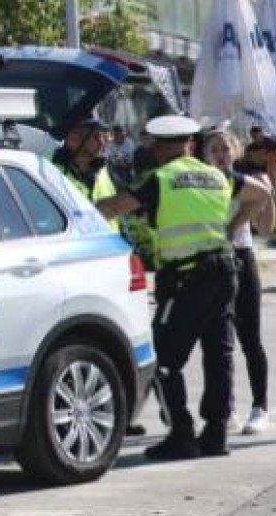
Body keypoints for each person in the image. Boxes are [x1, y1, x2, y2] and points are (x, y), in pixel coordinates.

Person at [98, 115, 239, 460]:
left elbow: (116, 207)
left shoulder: (160, 179)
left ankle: (182, 434)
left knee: (163, 360)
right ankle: (216, 432)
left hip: (187, 278)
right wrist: (236, 226)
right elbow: (260, 194)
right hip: (225, 270)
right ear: (190, 144)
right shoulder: (216, 175)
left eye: (153, 145)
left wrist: (78, 212)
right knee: (219, 354)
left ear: (161, 147)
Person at [204, 130, 276, 436]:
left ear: (235, 151)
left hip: (242, 257)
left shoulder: (246, 184)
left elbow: (267, 229)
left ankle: (260, 407)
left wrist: (269, 198)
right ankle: (226, 407)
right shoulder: (203, 184)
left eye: (225, 148)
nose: (221, 154)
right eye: (215, 149)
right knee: (220, 341)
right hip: (213, 261)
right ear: (206, 154)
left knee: (251, 338)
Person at [54, 118, 118, 205]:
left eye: (104, 137)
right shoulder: (52, 168)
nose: (102, 142)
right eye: (96, 137)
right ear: (74, 138)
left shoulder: (103, 169)